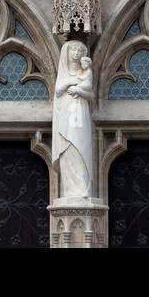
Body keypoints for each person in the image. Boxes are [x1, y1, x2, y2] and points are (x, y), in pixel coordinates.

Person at [52, 39, 94, 199]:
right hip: (65, 117)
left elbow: (90, 94)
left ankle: (83, 190)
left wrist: (79, 90)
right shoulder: (63, 76)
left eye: (79, 51)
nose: (76, 54)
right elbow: (58, 91)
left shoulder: (86, 73)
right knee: (68, 150)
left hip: (80, 116)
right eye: (73, 50)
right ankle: (70, 192)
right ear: (66, 53)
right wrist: (72, 82)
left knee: (81, 148)